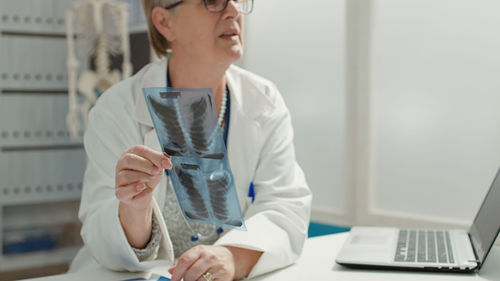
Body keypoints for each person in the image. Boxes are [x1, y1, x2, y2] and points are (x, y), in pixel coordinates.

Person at [69, 0, 312, 280]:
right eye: (213, 1)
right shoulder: (118, 109)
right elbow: (101, 233)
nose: (233, 11)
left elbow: (285, 206)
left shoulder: (263, 101)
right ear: (164, 22)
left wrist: (232, 257)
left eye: (238, 0)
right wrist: (134, 209)